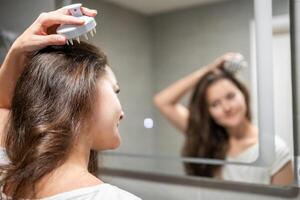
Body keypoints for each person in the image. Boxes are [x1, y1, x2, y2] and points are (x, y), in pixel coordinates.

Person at [0, 7, 141, 200]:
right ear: (83, 87)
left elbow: (4, 107)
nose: (122, 112)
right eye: (115, 90)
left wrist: (16, 52)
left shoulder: (8, 180)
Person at [154, 53, 293, 185]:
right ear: (208, 112)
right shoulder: (206, 137)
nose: (226, 107)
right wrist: (209, 69)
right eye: (215, 104)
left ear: (243, 94)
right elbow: (162, 101)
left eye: (230, 96)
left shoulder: (275, 150)